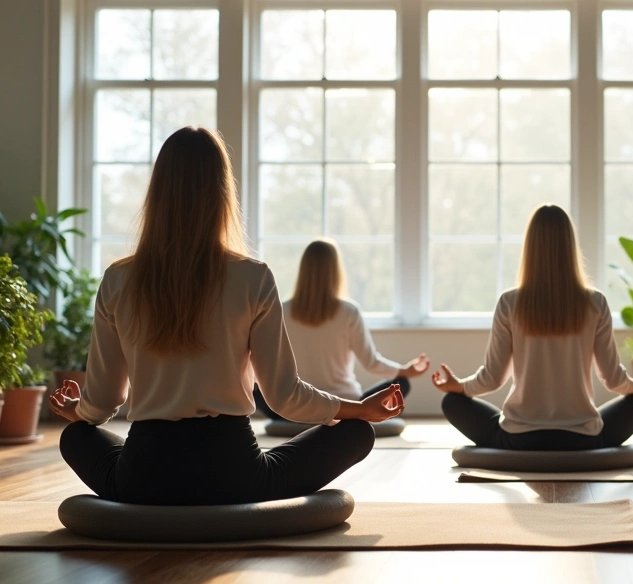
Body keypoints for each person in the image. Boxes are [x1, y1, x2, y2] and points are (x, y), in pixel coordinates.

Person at [49, 127, 403, 506]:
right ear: (222, 192)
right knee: (356, 432)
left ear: (158, 192)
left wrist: (77, 411)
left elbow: (102, 403)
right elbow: (284, 397)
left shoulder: (118, 279)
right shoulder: (253, 276)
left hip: (143, 477)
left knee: (76, 435)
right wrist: (359, 409)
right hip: (237, 477)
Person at [431, 204, 633, 450]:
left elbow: (492, 379)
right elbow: (613, 380)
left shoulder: (509, 302)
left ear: (529, 247)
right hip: (583, 439)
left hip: (518, 438)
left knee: (452, 402)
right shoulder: (596, 303)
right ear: (570, 246)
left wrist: (459, 386)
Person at [253, 239, 429, 423]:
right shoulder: (349, 311)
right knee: (402, 384)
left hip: (296, 406)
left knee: (255, 389)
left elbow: (266, 365)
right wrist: (404, 371)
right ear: (336, 271)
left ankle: (306, 416)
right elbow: (372, 363)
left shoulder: (282, 310)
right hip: (347, 405)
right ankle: (350, 415)